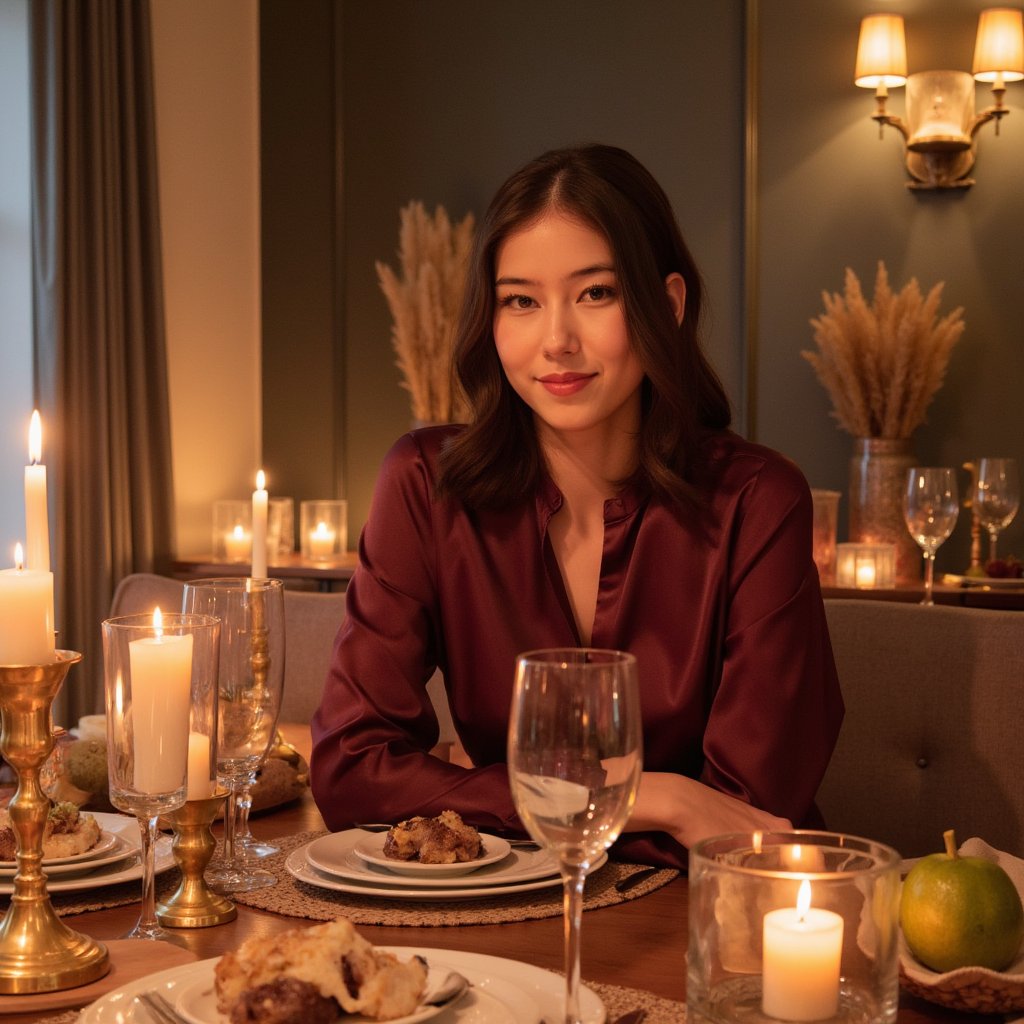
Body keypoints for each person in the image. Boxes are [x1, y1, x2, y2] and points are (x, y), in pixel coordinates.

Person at [310, 143, 842, 868]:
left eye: (597, 293)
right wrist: (656, 797)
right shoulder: (426, 484)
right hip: (504, 914)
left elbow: (746, 819)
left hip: (713, 926)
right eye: (520, 301)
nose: (557, 341)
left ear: (669, 304)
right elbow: (350, 770)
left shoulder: (758, 502)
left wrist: (504, 800)